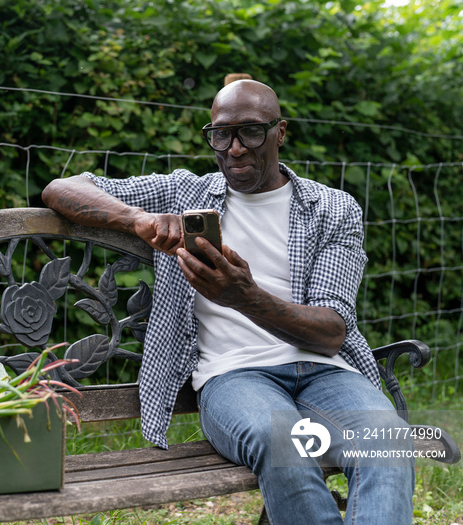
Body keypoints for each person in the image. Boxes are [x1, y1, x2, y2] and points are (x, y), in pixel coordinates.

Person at [42, 79, 414, 524]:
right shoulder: (185, 194)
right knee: (285, 443)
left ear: (280, 132)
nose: (234, 148)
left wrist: (244, 296)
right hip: (234, 378)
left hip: (326, 372)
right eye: (222, 134)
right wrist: (138, 219)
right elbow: (61, 188)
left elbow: (331, 332)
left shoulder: (332, 208)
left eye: (251, 132)